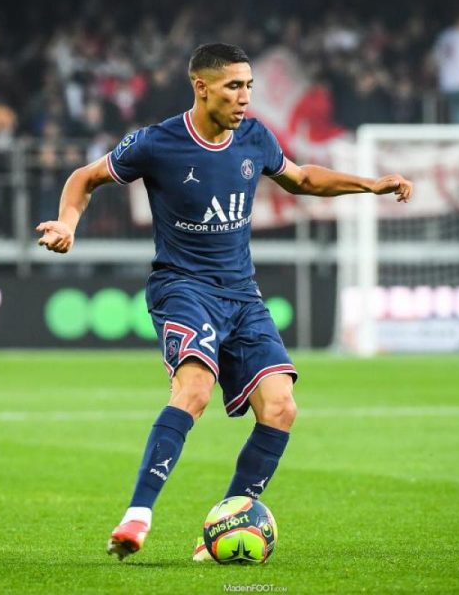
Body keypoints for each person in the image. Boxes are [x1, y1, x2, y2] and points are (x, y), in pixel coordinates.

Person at [35, 43, 413, 562]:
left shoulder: (255, 137)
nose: (244, 97)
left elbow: (303, 178)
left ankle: (227, 521)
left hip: (242, 293)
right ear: (202, 87)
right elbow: (86, 177)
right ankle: (137, 516)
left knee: (281, 407)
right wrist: (67, 225)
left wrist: (369, 185)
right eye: (234, 86)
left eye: (249, 86)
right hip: (183, 288)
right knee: (194, 389)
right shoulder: (157, 142)